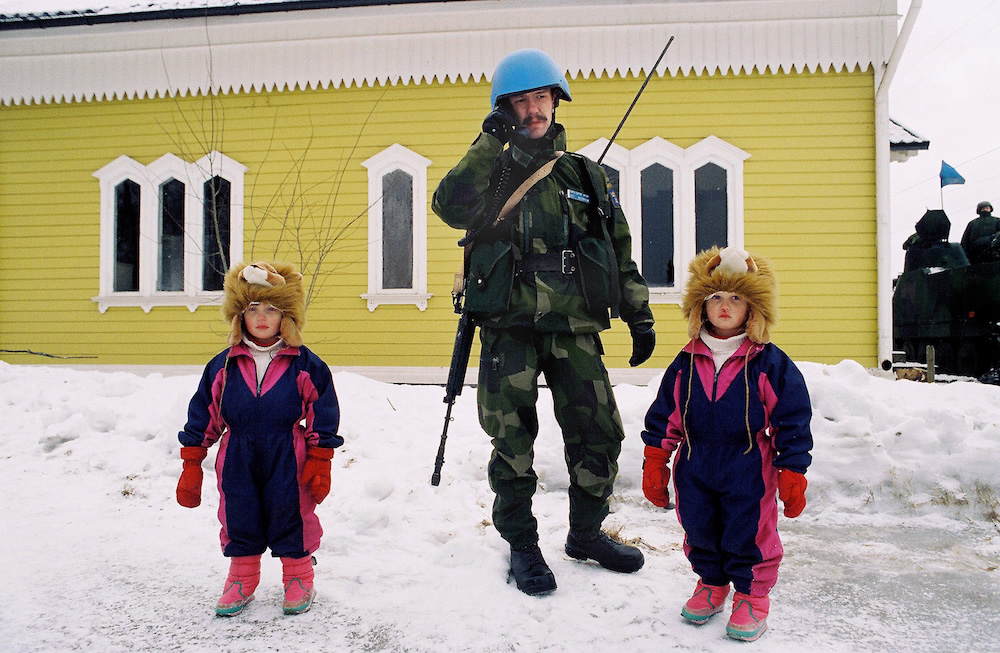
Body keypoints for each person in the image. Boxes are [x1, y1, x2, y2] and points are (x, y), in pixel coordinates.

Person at [431, 48, 656, 596]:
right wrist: (489, 143)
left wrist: (638, 313)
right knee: (511, 441)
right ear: (504, 109)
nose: (533, 110)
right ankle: (523, 544)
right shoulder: (492, 171)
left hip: (574, 324)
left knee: (598, 432)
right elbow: (448, 206)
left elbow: (618, 250)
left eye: (540, 98)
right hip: (508, 324)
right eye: (520, 102)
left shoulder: (587, 175)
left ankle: (585, 534)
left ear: (556, 101)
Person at [640, 247, 812, 641]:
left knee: (747, 531)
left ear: (754, 307)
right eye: (714, 297)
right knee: (699, 526)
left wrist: (793, 470)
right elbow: (666, 413)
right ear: (700, 306)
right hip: (695, 463)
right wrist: (656, 459)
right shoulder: (686, 361)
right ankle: (712, 582)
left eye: (736, 297)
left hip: (748, 466)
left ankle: (752, 596)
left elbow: (792, 418)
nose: (724, 306)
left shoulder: (770, 363)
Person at [175, 261, 342, 616]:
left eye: (271, 309)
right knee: (238, 513)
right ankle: (241, 579)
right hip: (237, 452)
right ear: (240, 315)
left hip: (287, 452)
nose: (262, 317)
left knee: (292, 513)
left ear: (287, 316)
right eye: (253, 309)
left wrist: (320, 459)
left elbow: (321, 410)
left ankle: (298, 577)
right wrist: (192, 461)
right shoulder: (224, 365)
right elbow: (206, 411)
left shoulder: (305, 364)